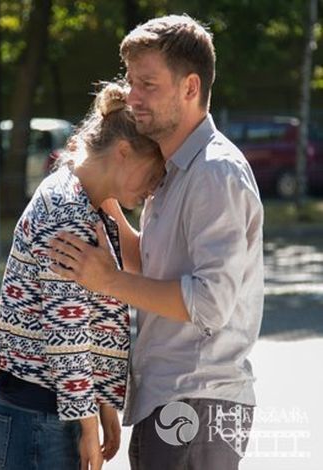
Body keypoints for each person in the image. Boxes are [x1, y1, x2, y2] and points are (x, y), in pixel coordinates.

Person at [48, 15, 263, 469]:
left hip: (198, 404)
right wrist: (104, 197)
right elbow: (155, 266)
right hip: (172, 398)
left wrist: (107, 280)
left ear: (189, 88)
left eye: (147, 84)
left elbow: (209, 303)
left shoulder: (214, 172)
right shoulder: (175, 168)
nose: (132, 97)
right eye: (130, 81)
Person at [0, 82, 166, 470]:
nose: (152, 189)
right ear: (123, 153)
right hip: (36, 419)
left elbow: (88, 318)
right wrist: (88, 427)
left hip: (47, 413)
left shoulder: (85, 203)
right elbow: (65, 335)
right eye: (152, 173)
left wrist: (104, 405)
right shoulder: (68, 212)